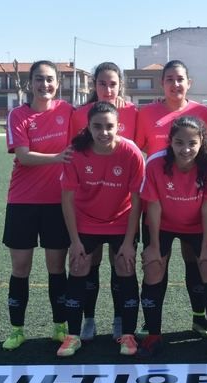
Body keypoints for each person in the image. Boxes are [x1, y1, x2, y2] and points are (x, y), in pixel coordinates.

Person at [135, 60, 207, 337]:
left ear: (189, 82)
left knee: (198, 261)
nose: (175, 84)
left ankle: (200, 316)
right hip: (161, 201)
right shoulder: (146, 114)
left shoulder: (203, 112)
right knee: (157, 262)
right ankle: (151, 324)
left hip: (195, 201)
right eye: (169, 79)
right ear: (162, 83)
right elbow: (139, 152)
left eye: (180, 78)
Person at [57, 101, 144, 357]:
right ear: (88, 126)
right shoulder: (76, 152)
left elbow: (137, 199)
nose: (103, 132)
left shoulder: (131, 152)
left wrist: (129, 242)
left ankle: (127, 333)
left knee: (125, 266)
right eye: (97, 126)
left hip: (120, 221)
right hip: (86, 221)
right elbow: (67, 199)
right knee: (79, 265)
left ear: (119, 126)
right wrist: (74, 241)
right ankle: (73, 335)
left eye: (109, 127)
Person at [139, 116, 207, 359]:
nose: (185, 149)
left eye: (192, 143)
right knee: (154, 268)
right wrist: (154, 247)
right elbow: (153, 207)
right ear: (170, 142)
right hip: (163, 223)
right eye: (179, 143)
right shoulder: (156, 163)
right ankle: (153, 335)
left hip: (199, 224)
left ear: (202, 142)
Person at [1, 60, 74, 351]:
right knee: (21, 267)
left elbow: (97, 113)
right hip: (22, 202)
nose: (45, 85)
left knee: (57, 267)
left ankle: (60, 326)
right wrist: (58, 157)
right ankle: (17, 329)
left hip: (58, 202)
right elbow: (24, 155)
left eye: (50, 80)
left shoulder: (67, 111)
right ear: (30, 83)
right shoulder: (18, 115)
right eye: (39, 79)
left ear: (58, 83)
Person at [70, 62, 137, 342]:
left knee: (121, 262)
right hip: (89, 202)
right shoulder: (79, 116)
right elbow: (76, 150)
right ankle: (88, 320)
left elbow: (139, 149)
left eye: (112, 83)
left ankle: (121, 321)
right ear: (93, 86)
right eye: (101, 84)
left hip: (122, 204)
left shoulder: (134, 112)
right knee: (88, 262)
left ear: (120, 85)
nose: (107, 89)